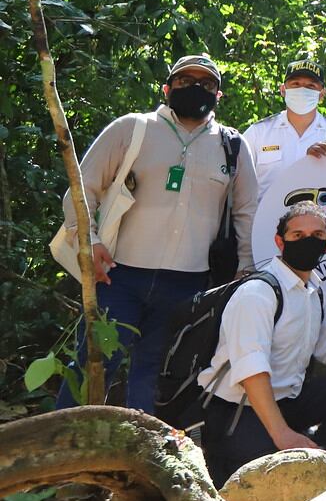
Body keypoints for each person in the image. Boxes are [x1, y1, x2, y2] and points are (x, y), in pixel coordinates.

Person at [56, 55, 258, 413]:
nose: (196, 88)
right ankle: (61, 449)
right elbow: (83, 185)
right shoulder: (133, 129)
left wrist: (246, 267)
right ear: (166, 88)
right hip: (119, 275)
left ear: (218, 95)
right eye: (185, 81)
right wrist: (90, 241)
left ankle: (141, 461)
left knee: (157, 375)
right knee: (94, 364)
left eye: (206, 83)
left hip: (189, 285)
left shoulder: (233, 146)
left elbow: (246, 211)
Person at [197, 202, 326, 486]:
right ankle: (293, 453)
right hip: (238, 412)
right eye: (297, 235)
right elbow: (251, 370)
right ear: (280, 241)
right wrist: (282, 435)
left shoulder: (314, 291)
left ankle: (325, 457)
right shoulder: (258, 293)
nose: (308, 241)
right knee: (265, 484)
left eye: (317, 236)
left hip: (288, 402)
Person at [243, 59, 326, 208]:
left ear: (321, 95)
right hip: (264, 226)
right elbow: (239, 186)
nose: (302, 90)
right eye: (295, 84)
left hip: (321, 226)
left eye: (310, 86)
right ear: (283, 90)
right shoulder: (258, 133)